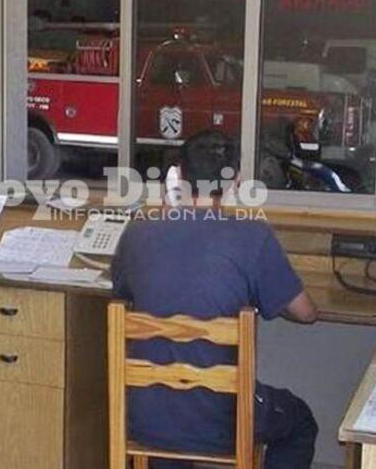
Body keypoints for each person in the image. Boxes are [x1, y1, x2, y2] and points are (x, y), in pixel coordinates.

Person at [111, 131, 319, 469]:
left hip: (143, 418)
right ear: (235, 180)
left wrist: (167, 214)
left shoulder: (138, 232)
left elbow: (121, 292)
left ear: (178, 173)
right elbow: (307, 313)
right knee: (299, 422)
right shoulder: (252, 236)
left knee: (170, 415)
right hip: (222, 420)